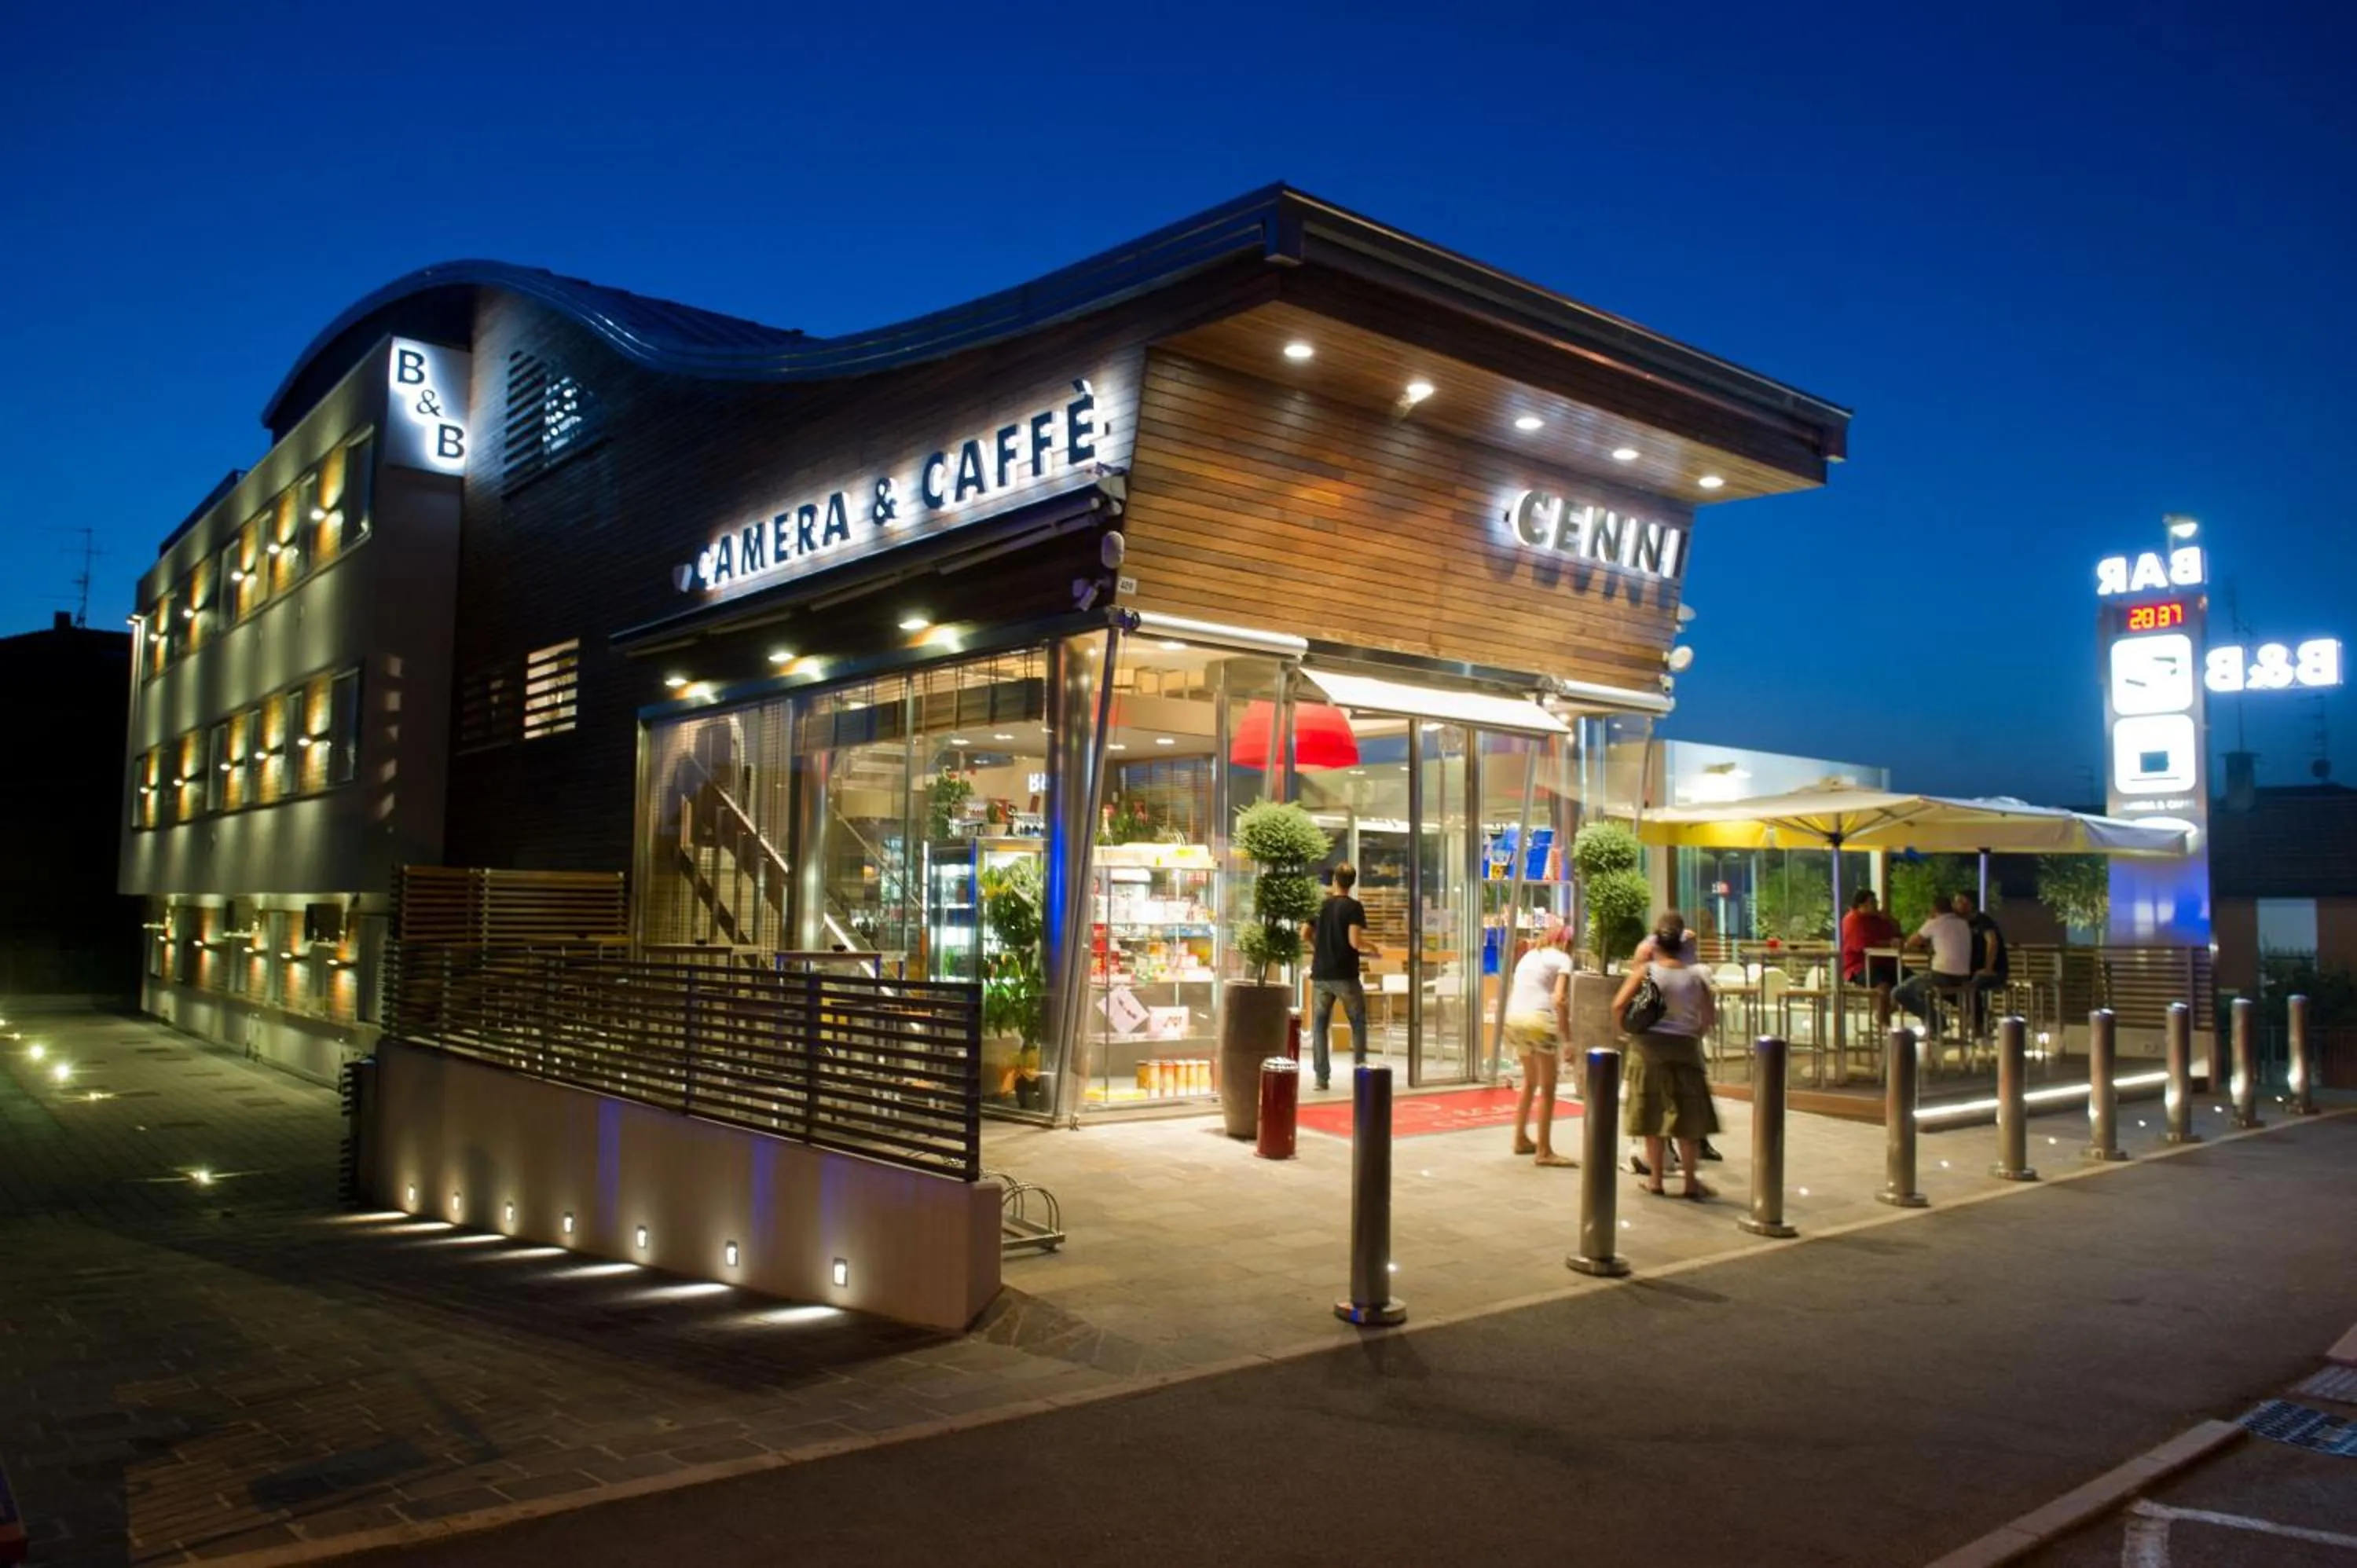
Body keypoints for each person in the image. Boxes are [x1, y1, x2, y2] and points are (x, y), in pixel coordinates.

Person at [1613, 910, 1720, 1200]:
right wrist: (1692, 1034)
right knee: (1687, 1118)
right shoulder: (1696, 976)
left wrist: (1628, 1031)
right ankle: (1690, 1183)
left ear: (1656, 943)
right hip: (1685, 1049)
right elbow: (1709, 1017)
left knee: (1652, 1114)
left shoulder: (1647, 972)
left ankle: (1656, 1180)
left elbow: (1618, 1005)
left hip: (1648, 1050)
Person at [1504, 923, 1577, 1167]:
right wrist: (1567, 1040)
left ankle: (1520, 1138)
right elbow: (1559, 998)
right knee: (1548, 1087)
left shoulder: (1529, 956)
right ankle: (1544, 1151)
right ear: (1566, 943)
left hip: (1514, 1019)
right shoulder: (1563, 959)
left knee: (1529, 1081)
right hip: (1538, 1020)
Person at [1307, 863, 1381, 1091]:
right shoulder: (1354, 908)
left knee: (1319, 1026)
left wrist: (1319, 948)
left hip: (1321, 975)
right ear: (1352, 883)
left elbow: (1304, 933)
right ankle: (1360, 1075)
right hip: (1345, 975)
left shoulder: (1320, 905)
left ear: (1334, 882)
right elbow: (1354, 942)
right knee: (1358, 1023)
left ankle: (1321, 1079)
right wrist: (1373, 948)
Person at [1896, 896, 1974, 1035]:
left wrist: (1928, 921)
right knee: (1923, 989)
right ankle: (1933, 1023)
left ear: (1934, 909)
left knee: (1900, 992)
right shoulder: (1963, 924)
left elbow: (1910, 943)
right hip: (1963, 977)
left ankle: (1936, 1020)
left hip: (1942, 976)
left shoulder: (1935, 923)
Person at [1840, 888, 1903, 1031]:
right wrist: (1888, 943)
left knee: (1911, 984)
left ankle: (1884, 1016)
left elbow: (1896, 933)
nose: (1875, 906)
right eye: (1872, 903)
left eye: (1875, 903)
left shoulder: (1878, 920)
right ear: (1861, 905)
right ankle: (1883, 1024)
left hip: (1885, 963)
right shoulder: (1852, 920)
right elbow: (1862, 944)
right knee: (1883, 987)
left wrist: (1890, 920)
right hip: (1859, 967)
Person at [1953, 892, 2009, 1037]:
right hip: (1971, 972)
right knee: (1957, 986)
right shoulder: (1960, 924)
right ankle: (1977, 1018)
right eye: (1956, 901)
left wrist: (1988, 968)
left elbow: (1992, 942)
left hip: (1995, 971)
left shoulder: (1983, 921)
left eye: (1960, 901)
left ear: (1970, 904)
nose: (1956, 905)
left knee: (1971, 987)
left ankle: (1979, 1024)